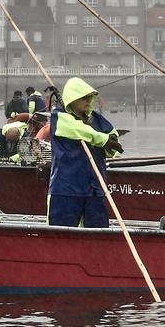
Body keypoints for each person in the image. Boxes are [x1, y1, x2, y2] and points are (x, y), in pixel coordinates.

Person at [48, 77, 122, 228]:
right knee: (61, 236)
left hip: (95, 188)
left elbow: (113, 138)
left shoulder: (96, 119)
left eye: (90, 98)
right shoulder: (60, 117)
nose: (88, 101)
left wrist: (111, 144)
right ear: (72, 98)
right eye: (83, 98)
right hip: (66, 188)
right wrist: (103, 140)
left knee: (98, 237)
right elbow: (78, 130)